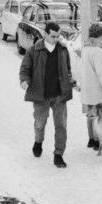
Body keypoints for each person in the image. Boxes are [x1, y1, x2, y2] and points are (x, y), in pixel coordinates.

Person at [20, 22, 73, 168]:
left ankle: (58, 155)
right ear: (45, 34)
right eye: (53, 36)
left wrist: (68, 79)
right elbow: (25, 68)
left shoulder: (63, 49)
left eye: (58, 36)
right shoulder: (34, 50)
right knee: (40, 123)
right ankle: (38, 141)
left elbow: (68, 68)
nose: (56, 39)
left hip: (59, 95)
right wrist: (24, 80)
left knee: (61, 126)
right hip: (41, 94)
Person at [80, 23, 102, 150]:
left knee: (91, 114)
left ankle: (91, 139)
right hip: (98, 88)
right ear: (101, 34)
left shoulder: (86, 48)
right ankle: (100, 140)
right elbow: (101, 71)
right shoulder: (97, 51)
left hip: (88, 87)